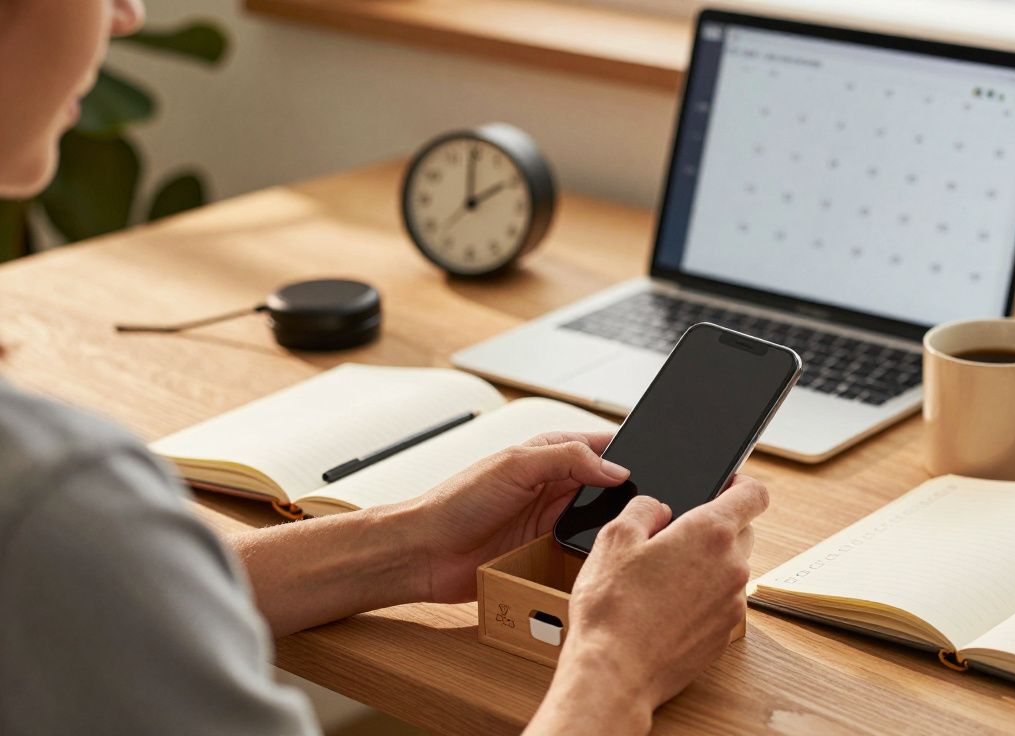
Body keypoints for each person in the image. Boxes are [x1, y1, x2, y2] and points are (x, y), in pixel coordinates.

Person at [0, 2, 768, 734]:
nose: (127, 14)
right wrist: (617, 670)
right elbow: (71, 562)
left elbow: (82, 596)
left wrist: (412, 546)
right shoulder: (56, 496)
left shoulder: (62, 523)